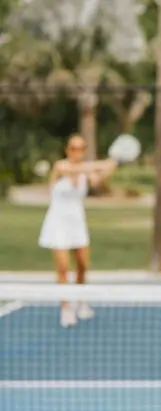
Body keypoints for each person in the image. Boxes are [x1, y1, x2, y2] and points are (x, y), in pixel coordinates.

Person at [39, 134, 117, 328]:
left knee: (82, 265)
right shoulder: (60, 166)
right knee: (63, 267)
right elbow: (81, 168)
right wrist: (102, 163)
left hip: (77, 223)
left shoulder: (86, 173)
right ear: (67, 150)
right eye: (73, 148)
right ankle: (66, 308)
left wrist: (112, 164)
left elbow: (98, 181)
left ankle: (81, 301)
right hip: (58, 223)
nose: (77, 152)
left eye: (81, 148)